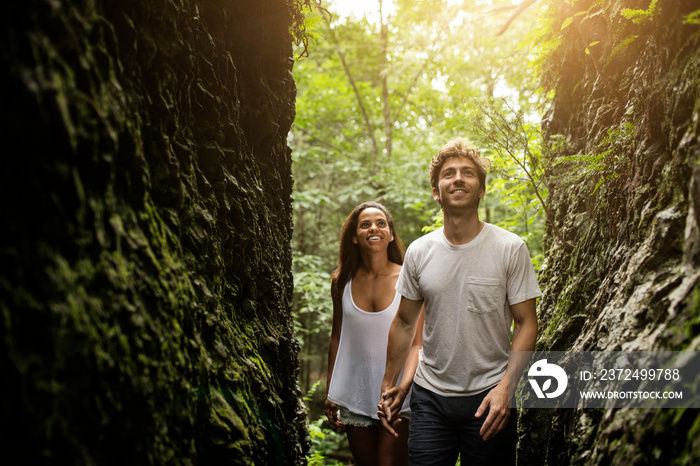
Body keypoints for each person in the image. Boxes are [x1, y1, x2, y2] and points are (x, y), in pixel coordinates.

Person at [378, 138, 540, 465]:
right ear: (436, 191)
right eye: (449, 173)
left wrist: (506, 388)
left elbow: (526, 322)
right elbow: (406, 322)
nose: (458, 178)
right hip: (430, 400)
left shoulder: (510, 247)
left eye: (468, 173)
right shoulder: (419, 252)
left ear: (481, 190)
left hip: (490, 399)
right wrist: (388, 382)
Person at [325, 202, 424, 466]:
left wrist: (402, 388)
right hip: (354, 393)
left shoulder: (409, 277)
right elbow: (337, 336)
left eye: (381, 223)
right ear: (355, 237)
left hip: (398, 396)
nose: (374, 228)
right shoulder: (341, 281)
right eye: (365, 224)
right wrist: (330, 391)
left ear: (390, 234)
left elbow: (417, 343)